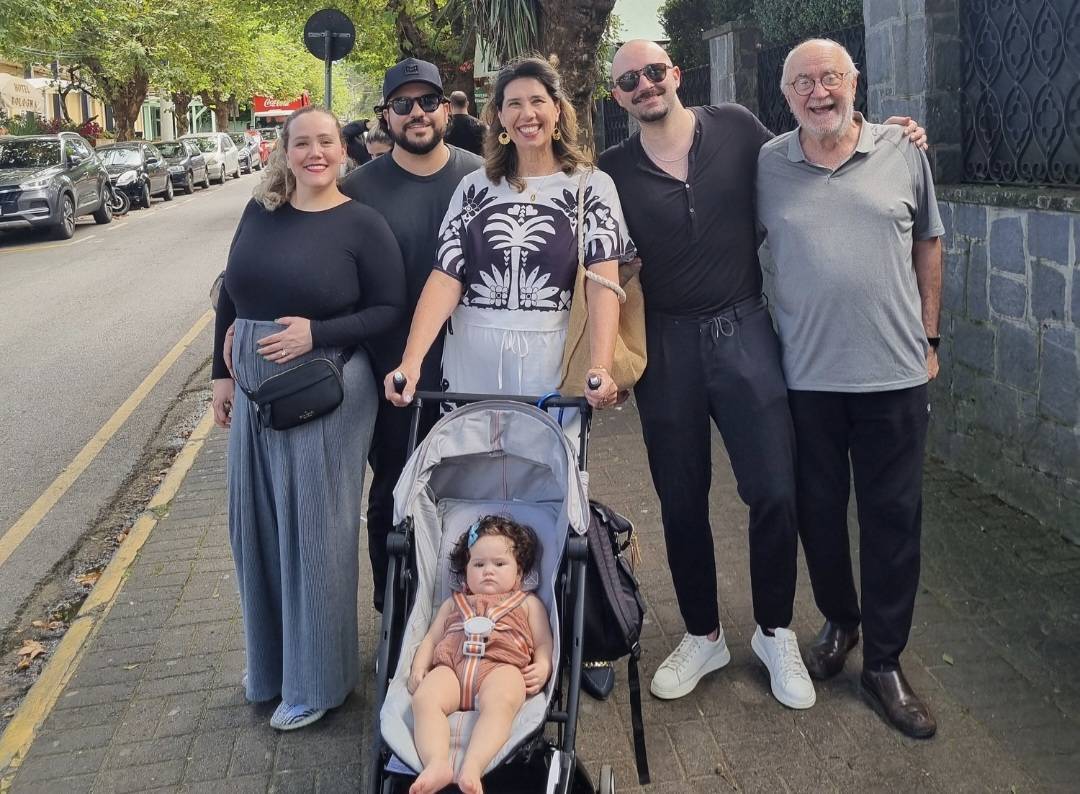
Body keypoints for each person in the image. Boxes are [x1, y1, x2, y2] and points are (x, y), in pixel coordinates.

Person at [598, 39, 926, 710]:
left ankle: (774, 631)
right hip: (668, 345)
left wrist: (891, 133)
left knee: (777, 491)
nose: (645, 85)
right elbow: (598, 261)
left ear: (675, 74)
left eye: (654, 71)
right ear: (617, 96)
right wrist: (604, 357)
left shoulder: (740, 130)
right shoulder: (610, 172)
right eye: (629, 80)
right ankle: (703, 634)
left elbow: (820, 140)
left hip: (745, 331)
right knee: (681, 500)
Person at [756, 39, 943, 738]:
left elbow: (929, 242)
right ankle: (841, 620)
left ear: (854, 81)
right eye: (802, 82)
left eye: (830, 77)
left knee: (893, 520)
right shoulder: (768, 163)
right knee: (819, 514)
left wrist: (930, 339)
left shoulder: (903, 150)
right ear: (786, 95)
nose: (818, 92)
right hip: (806, 379)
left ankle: (885, 663)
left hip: (894, 375)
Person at [210, 105, 406, 730]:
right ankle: (271, 668)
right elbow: (230, 291)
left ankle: (319, 683)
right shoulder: (259, 211)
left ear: (343, 152)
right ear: (284, 152)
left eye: (326, 141)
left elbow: (389, 309)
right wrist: (220, 375)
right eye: (302, 143)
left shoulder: (362, 224)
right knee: (255, 528)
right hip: (255, 392)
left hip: (328, 391)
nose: (315, 153)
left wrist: (315, 332)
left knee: (316, 533)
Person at [385, 56, 631, 424]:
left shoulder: (592, 186)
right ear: (499, 115)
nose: (526, 114)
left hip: (551, 366)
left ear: (557, 109)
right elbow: (446, 277)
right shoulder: (474, 188)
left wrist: (600, 366)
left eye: (537, 101)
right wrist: (411, 361)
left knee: (548, 457)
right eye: (514, 103)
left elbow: (602, 282)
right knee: (469, 459)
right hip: (471, 366)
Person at [340, 57, 483, 614]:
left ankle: (471, 610)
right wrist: (235, 325)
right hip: (394, 371)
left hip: (475, 365)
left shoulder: (482, 177)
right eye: (403, 104)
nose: (417, 113)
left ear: (446, 109)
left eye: (427, 101)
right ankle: (396, 613)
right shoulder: (356, 189)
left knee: (472, 492)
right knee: (393, 492)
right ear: (386, 116)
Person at [407, 516, 552, 794]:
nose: (488, 571)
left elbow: (544, 641)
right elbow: (431, 638)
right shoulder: (454, 603)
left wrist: (543, 664)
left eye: (499, 564)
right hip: (452, 667)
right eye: (478, 564)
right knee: (424, 699)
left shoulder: (527, 604)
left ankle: (472, 765)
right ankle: (437, 763)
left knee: (502, 702)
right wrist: (419, 666)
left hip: (501, 667)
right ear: (465, 572)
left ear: (519, 573)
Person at [444, 90, 486, 155]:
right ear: (467, 104)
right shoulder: (481, 126)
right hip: (476, 161)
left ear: (450, 105)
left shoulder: (445, 127)